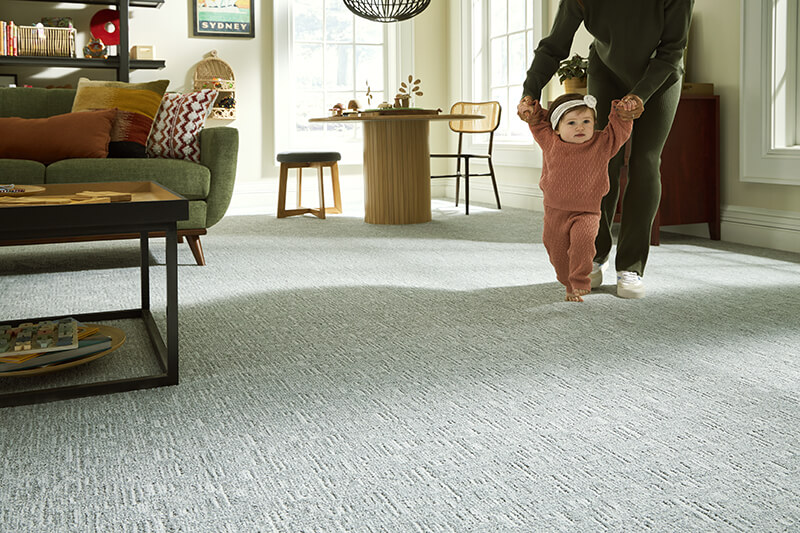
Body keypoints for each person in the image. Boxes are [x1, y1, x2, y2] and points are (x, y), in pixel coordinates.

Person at [517, 0, 694, 299]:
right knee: (599, 159)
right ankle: (595, 255)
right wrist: (530, 91)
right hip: (606, 71)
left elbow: (672, 49)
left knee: (645, 161)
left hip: (660, 77)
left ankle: (631, 265)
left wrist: (640, 95)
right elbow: (553, 47)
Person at [526, 93, 633, 302]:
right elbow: (537, 123)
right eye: (572, 123)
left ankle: (580, 281)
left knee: (583, 244)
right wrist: (531, 112)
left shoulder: (601, 143)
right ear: (557, 127)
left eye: (586, 121)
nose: (580, 127)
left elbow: (618, 131)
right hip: (555, 211)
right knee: (555, 250)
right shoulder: (550, 141)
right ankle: (567, 283)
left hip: (588, 210)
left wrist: (623, 113)